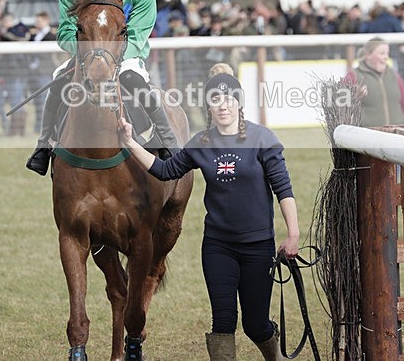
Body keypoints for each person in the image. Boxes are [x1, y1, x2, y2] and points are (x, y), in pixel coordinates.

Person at [117, 65, 300, 361]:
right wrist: (130, 142)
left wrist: (293, 235)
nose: (223, 105)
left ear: (239, 103)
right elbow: (165, 170)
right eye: (215, 99)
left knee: (255, 324)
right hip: (218, 246)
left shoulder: (262, 139)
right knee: (223, 321)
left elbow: (284, 190)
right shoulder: (200, 144)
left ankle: (276, 356)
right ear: (209, 106)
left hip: (258, 245)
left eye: (229, 99)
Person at [26, 0, 178, 176]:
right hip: (86, 55)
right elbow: (64, 32)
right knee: (59, 78)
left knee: (136, 82)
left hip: (125, 55)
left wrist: (110, 58)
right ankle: (44, 145)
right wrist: (89, 54)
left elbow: (139, 34)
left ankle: (168, 142)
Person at [346, 38, 404, 127]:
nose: (386, 57)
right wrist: (354, 96)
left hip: (398, 136)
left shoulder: (394, 75)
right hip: (368, 137)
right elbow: (341, 107)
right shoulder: (353, 76)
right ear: (368, 55)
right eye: (382, 53)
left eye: (387, 53)